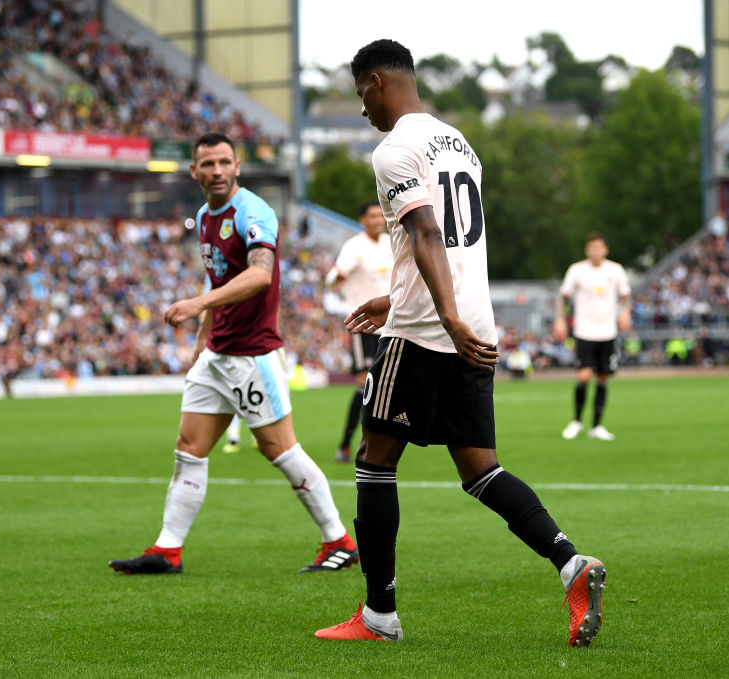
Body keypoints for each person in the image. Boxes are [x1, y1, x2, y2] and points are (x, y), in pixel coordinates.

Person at [314, 40, 606, 648]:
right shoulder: (458, 143)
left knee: (374, 461)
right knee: (480, 470)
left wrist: (437, 318)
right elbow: (456, 247)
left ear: (374, 83)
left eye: (358, 94)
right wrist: (416, 304)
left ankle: (379, 618)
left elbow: (426, 231)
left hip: (427, 333)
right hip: (475, 327)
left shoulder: (393, 148)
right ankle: (571, 564)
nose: (361, 108)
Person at [110, 132, 358, 575]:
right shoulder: (205, 215)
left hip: (252, 354)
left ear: (237, 166)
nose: (217, 171)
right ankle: (167, 551)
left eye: (225, 162)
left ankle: (338, 541)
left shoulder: (253, 211)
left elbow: (260, 275)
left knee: (279, 449)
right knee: (189, 447)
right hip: (218, 354)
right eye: (208, 164)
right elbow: (218, 280)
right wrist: (202, 339)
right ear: (195, 171)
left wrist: (197, 305)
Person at [324, 200, 393, 463]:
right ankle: (346, 444)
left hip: (392, 325)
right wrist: (336, 279)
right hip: (363, 324)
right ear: (362, 220)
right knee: (364, 384)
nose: (378, 220)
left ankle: (383, 440)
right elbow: (334, 276)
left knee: (388, 386)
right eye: (372, 216)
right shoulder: (354, 246)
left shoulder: (391, 242)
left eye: (380, 216)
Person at [553, 233, 631, 441]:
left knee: (603, 377)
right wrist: (560, 319)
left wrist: (625, 312)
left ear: (605, 249)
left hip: (607, 332)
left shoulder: (615, 270)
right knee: (584, 376)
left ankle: (596, 426)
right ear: (587, 250)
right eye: (591, 248)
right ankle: (577, 421)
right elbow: (563, 296)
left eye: (599, 247)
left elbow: (625, 296)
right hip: (584, 331)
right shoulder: (577, 270)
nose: (595, 251)